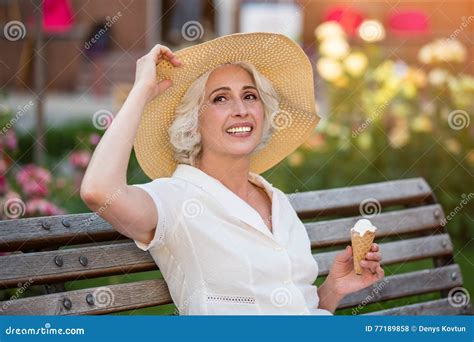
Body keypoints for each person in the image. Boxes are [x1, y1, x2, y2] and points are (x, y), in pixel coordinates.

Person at [80, 32, 384, 315]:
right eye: (220, 98)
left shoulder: (276, 200)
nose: (241, 109)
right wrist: (141, 91)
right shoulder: (177, 200)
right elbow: (98, 191)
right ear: (192, 121)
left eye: (250, 96)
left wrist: (333, 288)